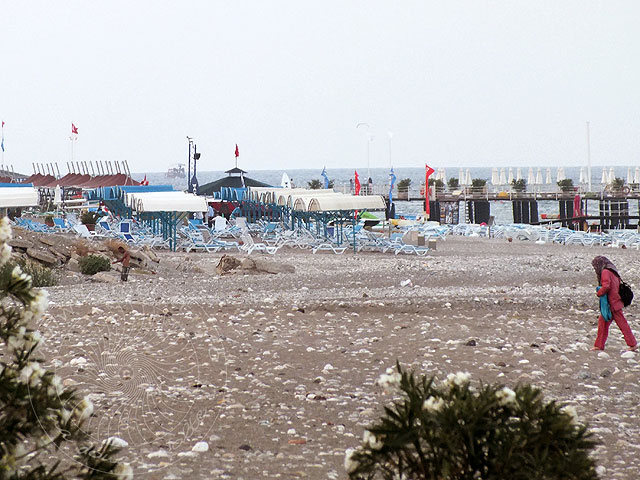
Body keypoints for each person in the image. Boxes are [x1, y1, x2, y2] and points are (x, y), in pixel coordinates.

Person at [591, 256, 637, 351]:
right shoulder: (613, 271)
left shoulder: (605, 272)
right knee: (604, 323)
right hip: (615, 302)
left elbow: (606, 286)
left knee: (621, 324)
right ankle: (599, 345)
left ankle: (632, 344)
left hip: (612, 303)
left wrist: (599, 293)